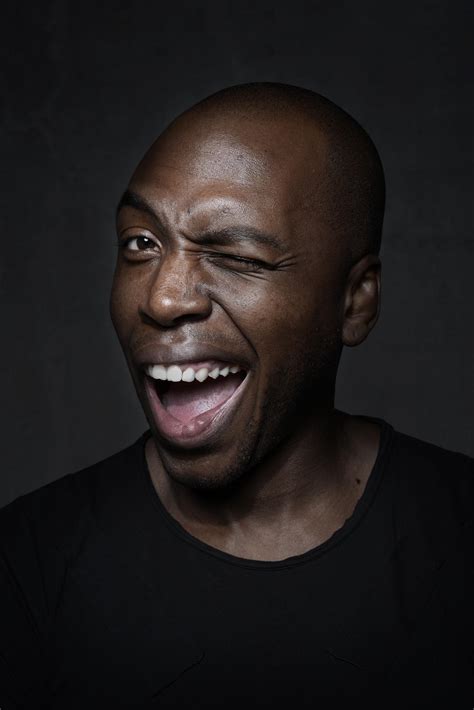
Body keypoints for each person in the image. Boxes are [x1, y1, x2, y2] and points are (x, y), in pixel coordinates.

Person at [0, 83, 472, 709]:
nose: (162, 298)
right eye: (141, 243)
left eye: (235, 255)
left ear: (355, 303)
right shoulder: (29, 562)